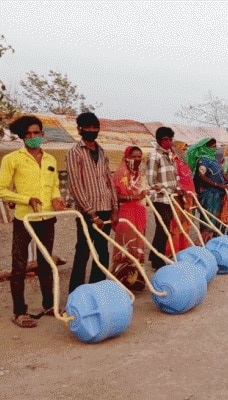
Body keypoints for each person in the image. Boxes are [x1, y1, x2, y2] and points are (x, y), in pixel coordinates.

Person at [0, 115, 66, 327]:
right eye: (28, 134)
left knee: (46, 263)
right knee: (19, 266)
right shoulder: (12, 159)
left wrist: (56, 198)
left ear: (42, 134)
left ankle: (49, 305)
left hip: (47, 218)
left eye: (36, 133)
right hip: (24, 219)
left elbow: (54, 184)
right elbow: (1, 189)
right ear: (22, 137)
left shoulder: (50, 159)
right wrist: (26, 199)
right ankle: (20, 312)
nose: (33, 137)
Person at [65, 112, 119, 293]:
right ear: (79, 129)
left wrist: (115, 209)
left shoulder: (102, 152)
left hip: (105, 207)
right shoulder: (75, 152)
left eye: (95, 128)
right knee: (83, 250)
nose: (91, 131)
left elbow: (109, 181)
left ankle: (98, 288)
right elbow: (75, 185)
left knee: (103, 251)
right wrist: (91, 214)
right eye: (87, 128)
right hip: (88, 211)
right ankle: (77, 292)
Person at [111, 146, 148, 291]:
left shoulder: (140, 172)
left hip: (139, 211)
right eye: (134, 157)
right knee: (126, 245)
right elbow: (115, 196)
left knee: (138, 244)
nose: (137, 159)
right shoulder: (120, 173)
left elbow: (144, 190)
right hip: (126, 212)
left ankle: (136, 280)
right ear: (127, 157)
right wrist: (134, 197)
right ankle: (121, 281)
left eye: (140, 156)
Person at [146, 126, 178, 270]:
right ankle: (157, 261)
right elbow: (151, 180)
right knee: (163, 228)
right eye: (165, 139)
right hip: (160, 198)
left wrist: (177, 189)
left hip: (170, 197)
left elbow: (173, 177)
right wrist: (163, 189)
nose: (168, 142)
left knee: (164, 228)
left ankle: (155, 256)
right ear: (158, 140)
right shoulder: (155, 156)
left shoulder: (169, 156)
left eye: (170, 139)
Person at [187, 138, 226, 243]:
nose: (215, 149)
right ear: (205, 148)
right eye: (213, 147)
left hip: (216, 192)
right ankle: (202, 243)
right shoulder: (203, 160)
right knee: (208, 218)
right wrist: (217, 184)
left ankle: (210, 242)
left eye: (215, 147)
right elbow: (201, 176)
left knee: (214, 218)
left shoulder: (212, 159)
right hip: (209, 193)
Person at [169, 140, 196, 254]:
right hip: (178, 198)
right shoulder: (173, 163)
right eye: (183, 149)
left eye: (186, 149)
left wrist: (193, 197)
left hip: (188, 197)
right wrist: (183, 199)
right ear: (176, 149)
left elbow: (189, 181)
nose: (185, 151)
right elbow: (176, 183)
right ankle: (173, 251)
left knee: (185, 224)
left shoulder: (184, 163)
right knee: (176, 224)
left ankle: (183, 249)